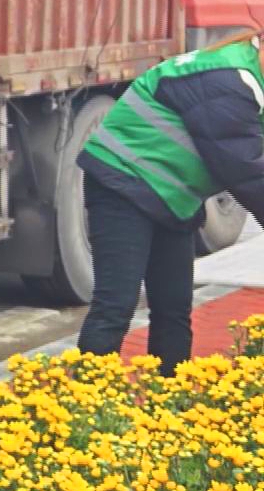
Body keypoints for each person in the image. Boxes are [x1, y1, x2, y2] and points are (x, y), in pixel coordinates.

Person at [75, 33, 264, 373]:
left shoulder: (248, 75)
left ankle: (169, 398)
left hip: (172, 197)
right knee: (115, 306)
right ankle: (84, 397)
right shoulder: (229, 80)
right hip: (124, 183)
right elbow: (246, 172)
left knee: (173, 309)